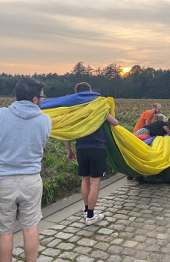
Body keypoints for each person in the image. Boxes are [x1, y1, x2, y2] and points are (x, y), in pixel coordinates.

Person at [0, 77, 52, 261]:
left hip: (2, 183)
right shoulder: (45, 120)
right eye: (42, 96)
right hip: (31, 181)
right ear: (34, 99)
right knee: (30, 227)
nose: (43, 99)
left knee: (4, 232)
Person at [65, 82, 119, 226]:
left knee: (85, 180)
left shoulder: (74, 111)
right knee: (95, 182)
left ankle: (86, 209)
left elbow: (68, 133)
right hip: (97, 148)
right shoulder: (98, 108)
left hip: (81, 147)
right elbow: (116, 123)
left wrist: (69, 150)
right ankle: (90, 215)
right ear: (90, 92)